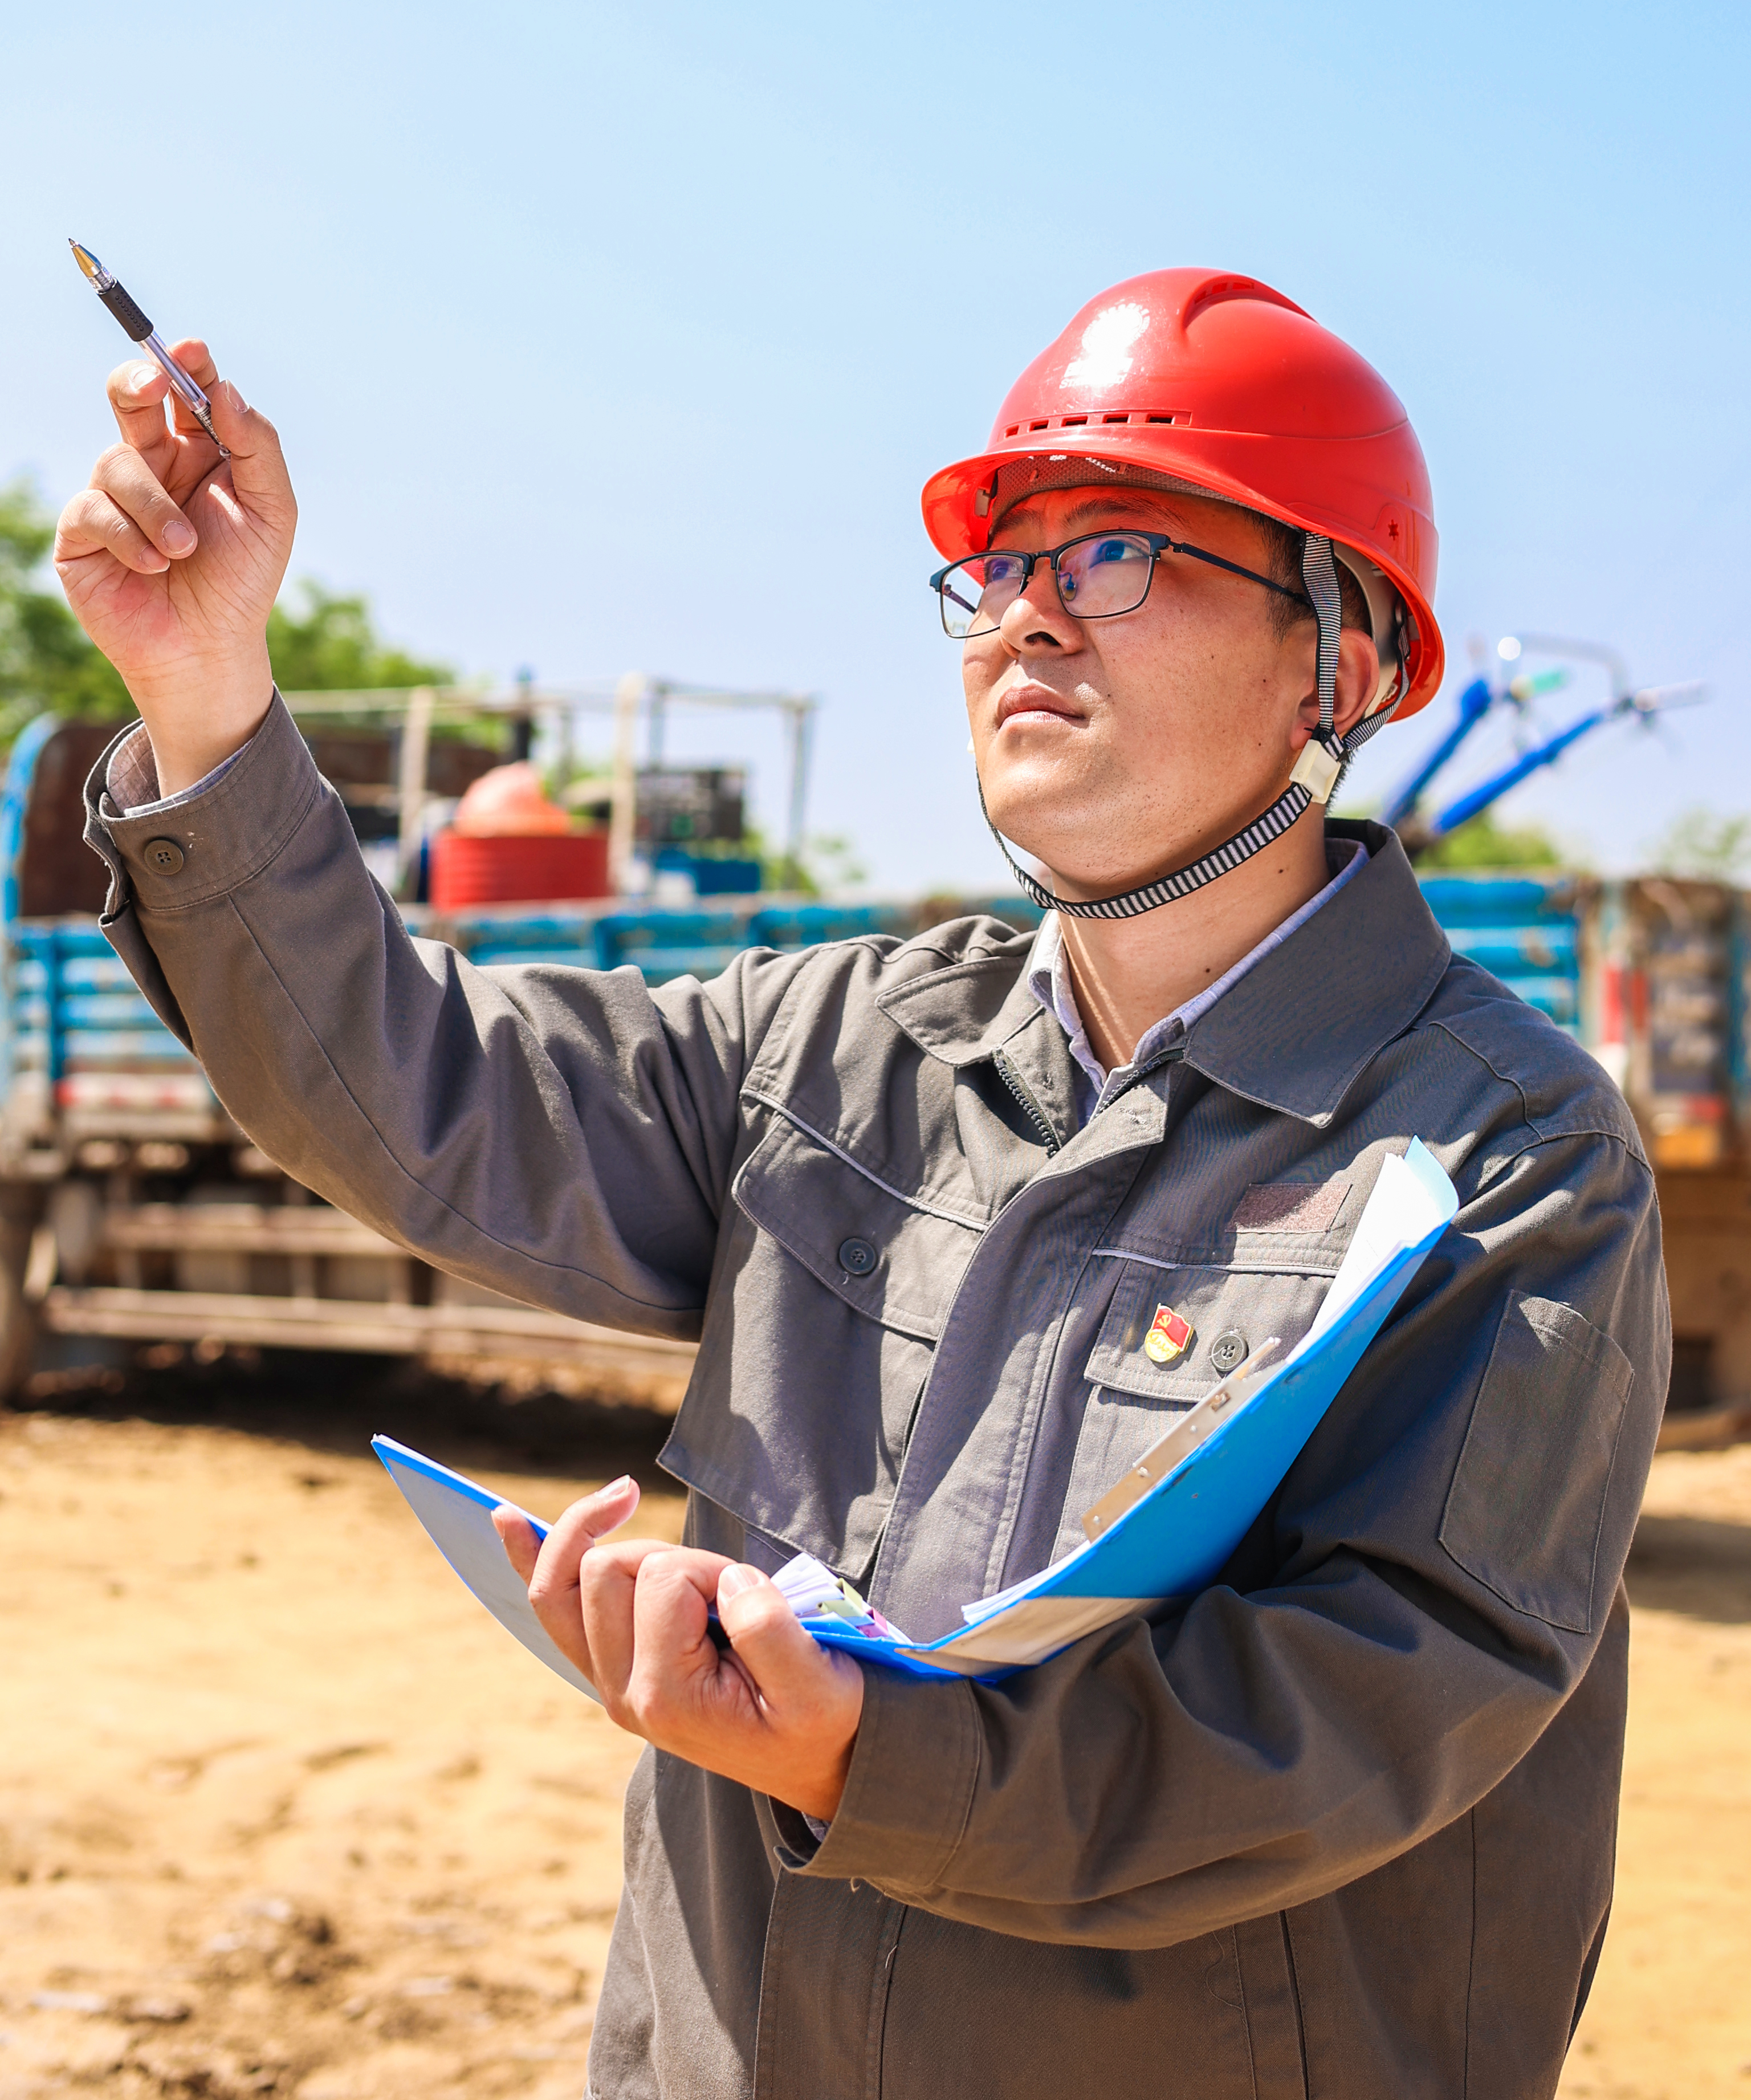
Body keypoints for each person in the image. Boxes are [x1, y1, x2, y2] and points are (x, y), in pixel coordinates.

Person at [56, 264, 1667, 2100]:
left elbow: (1377, 1701)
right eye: (1002, 568)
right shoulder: (835, 1046)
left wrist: (862, 1760)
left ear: (1346, 659)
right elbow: (418, 1091)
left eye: (1118, 554)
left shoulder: (1501, 1164)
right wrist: (208, 705)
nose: (1026, 621)